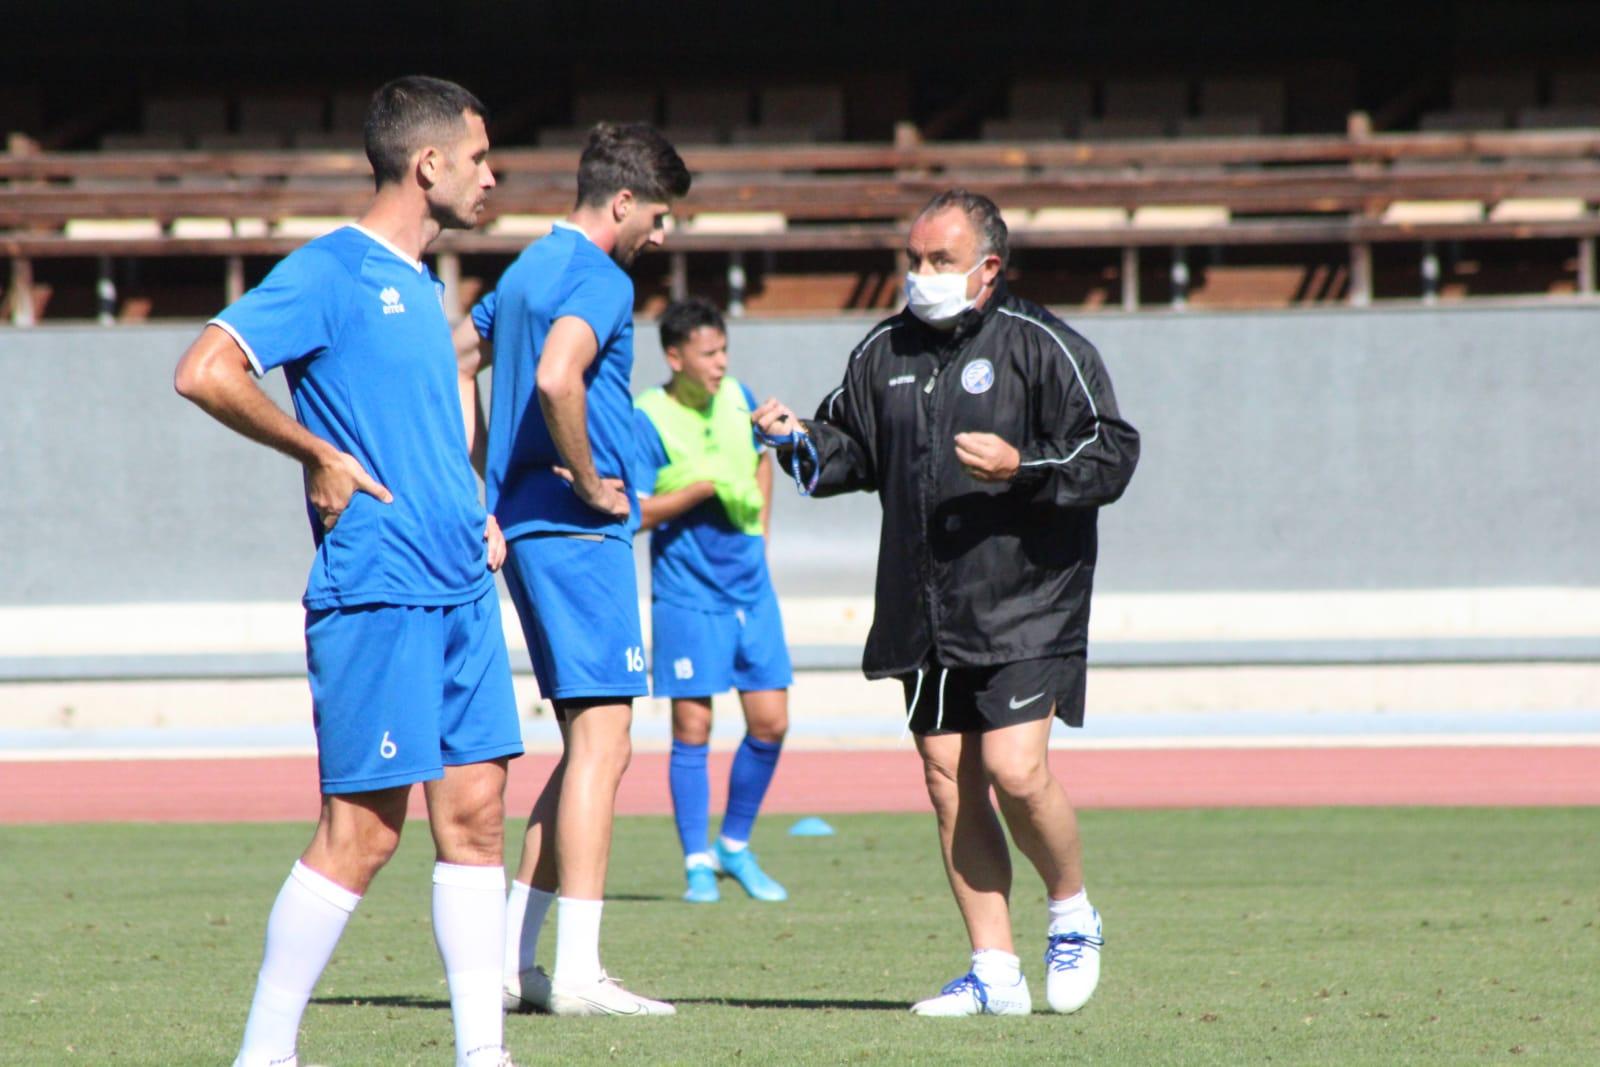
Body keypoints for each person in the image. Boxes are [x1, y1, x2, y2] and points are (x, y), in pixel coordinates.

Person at [174, 77, 522, 1067]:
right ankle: (265, 1050)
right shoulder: (331, 270)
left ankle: (483, 1053)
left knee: (479, 813)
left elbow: (423, 426)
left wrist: (475, 511)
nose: (492, 175)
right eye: (481, 156)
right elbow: (205, 368)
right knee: (364, 832)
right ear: (429, 164)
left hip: (458, 581)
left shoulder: (424, 287)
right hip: (378, 588)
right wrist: (314, 452)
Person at [752, 189, 1140, 1018]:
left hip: (1030, 600)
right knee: (948, 780)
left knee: (1014, 769)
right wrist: (797, 440)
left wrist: (1022, 468)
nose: (920, 276)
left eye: (939, 261)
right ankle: (992, 968)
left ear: (987, 269)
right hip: (926, 608)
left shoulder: (1042, 345)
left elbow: (1110, 453)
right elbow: (848, 446)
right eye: (913, 259)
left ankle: (1072, 912)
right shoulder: (881, 349)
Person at [454, 123, 690, 1017]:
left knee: (586, 742)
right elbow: (558, 380)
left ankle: (519, 963)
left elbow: (458, 352)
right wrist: (593, 484)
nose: (663, 236)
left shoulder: (523, 271)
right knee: (607, 739)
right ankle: (582, 972)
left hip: (523, 525)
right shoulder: (599, 277)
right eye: (660, 217)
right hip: (574, 532)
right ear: (623, 202)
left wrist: (478, 481)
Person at [631, 298, 792, 905]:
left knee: (771, 722)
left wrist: (762, 534)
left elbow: (762, 460)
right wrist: (697, 491)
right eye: (708, 353)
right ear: (674, 358)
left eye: (724, 350)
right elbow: (634, 511)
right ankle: (697, 860)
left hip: (750, 586)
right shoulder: (646, 417)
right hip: (687, 592)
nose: (722, 363)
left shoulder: (740, 396)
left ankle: (734, 845)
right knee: (693, 725)